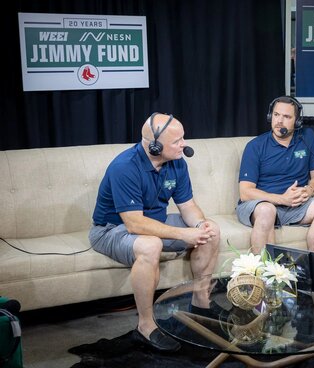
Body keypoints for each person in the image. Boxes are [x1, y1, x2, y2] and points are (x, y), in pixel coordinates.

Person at [89, 113, 220, 352]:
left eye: (183, 138)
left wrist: (200, 225)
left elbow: (187, 206)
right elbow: (134, 224)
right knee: (151, 245)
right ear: (155, 146)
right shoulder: (124, 167)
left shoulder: (177, 162)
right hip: (111, 229)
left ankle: (201, 303)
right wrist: (183, 235)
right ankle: (146, 326)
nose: (184, 144)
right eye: (177, 141)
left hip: (154, 223)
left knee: (211, 230)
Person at [236, 96, 314, 255]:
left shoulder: (307, 137)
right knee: (267, 210)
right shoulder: (255, 146)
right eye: (276, 115)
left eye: (286, 117)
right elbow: (245, 192)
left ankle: (311, 266)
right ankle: (267, 270)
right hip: (262, 204)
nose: (279, 121)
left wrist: (308, 190)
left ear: (297, 121)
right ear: (270, 116)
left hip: (295, 205)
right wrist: (282, 199)